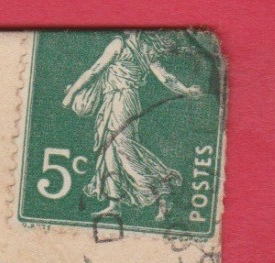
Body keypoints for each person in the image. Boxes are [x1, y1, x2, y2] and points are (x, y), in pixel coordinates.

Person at [62, 31, 205, 222]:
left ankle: (162, 189)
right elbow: (166, 78)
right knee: (109, 150)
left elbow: (94, 70)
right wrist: (186, 90)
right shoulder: (146, 49)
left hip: (121, 100)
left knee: (123, 148)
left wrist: (71, 94)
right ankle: (114, 205)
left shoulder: (119, 45)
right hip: (117, 100)